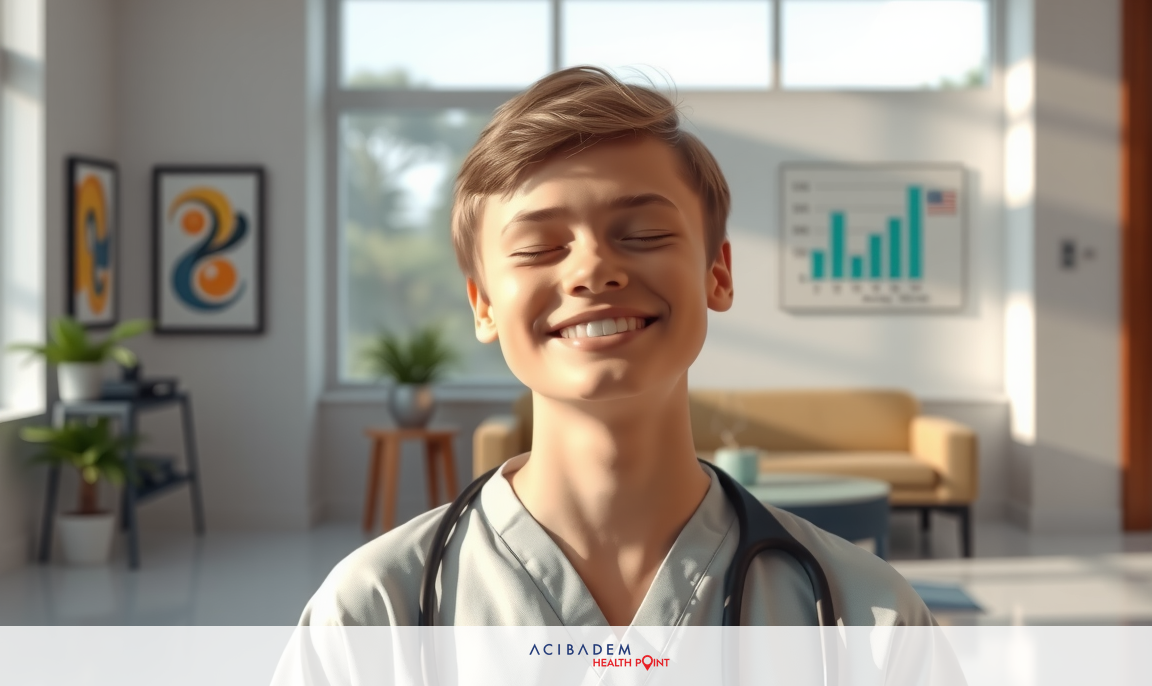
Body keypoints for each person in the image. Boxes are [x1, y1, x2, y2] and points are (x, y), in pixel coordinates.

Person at [300, 66, 933, 628]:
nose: (592, 270)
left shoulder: (865, 617)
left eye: (645, 233)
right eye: (538, 247)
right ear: (483, 304)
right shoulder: (372, 613)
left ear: (718, 275)